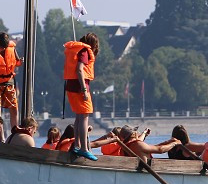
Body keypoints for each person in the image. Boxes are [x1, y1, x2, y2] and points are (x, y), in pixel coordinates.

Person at [63, 33, 101, 161]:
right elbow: (79, 70)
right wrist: (84, 90)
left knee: (79, 117)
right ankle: (84, 148)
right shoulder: (84, 51)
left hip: (71, 87)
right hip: (80, 88)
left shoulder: (78, 49)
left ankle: (77, 145)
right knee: (84, 117)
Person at [94, 126, 177, 158]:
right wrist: (174, 143)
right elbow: (160, 150)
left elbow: (142, 143)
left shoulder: (124, 145)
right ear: (132, 135)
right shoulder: (135, 145)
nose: (137, 133)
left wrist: (144, 134)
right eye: (135, 132)